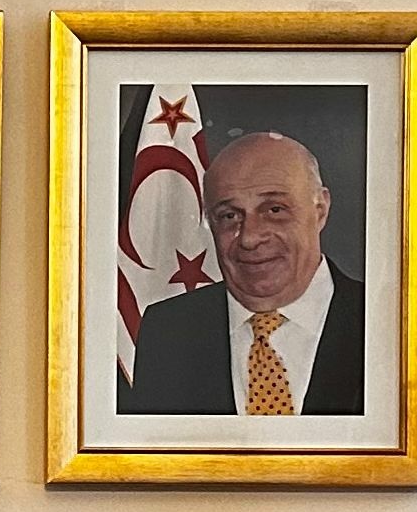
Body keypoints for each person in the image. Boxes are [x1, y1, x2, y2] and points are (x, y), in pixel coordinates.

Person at [122, 131, 366, 416]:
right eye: (229, 216)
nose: (250, 237)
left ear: (320, 210)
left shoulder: (387, 323)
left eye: (274, 210)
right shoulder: (167, 332)